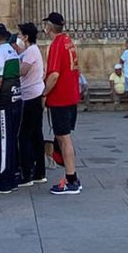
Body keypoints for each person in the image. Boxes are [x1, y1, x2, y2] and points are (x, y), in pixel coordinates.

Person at [42, 12, 81, 195]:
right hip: (70, 95)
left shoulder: (57, 44)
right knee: (62, 137)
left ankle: (71, 179)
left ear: (49, 26)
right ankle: (70, 176)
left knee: (64, 138)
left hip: (61, 98)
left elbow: (54, 74)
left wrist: (44, 93)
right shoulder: (68, 41)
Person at [0, 23, 23, 194]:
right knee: (11, 139)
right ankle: (13, 175)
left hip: (4, 102)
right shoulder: (11, 50)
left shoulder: (0, 52)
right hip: (16, 99)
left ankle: (4, 180)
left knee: (4, 141)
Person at [14, 22, 46, 187]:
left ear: (26, 37)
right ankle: (39, 172)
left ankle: (26, 174)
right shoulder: (31, 51)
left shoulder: (31, 51)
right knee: (35, 134)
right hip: (35, 94)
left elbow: (23, 71)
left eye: (20, 35)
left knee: (24, 135)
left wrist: (12, 68)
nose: (18, 37)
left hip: (31, 96)